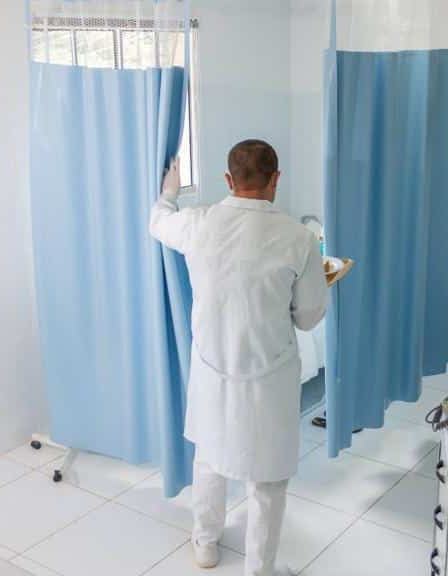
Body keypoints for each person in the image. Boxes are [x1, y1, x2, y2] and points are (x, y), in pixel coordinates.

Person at [149, 139, 329, 576]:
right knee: (267, 480)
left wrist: (169, 192)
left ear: (228, 179)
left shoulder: (200, 223)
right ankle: (258, 569)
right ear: (276, 179)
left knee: (209, 458)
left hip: (213, 368)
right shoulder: (299, 239)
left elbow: (159, 223)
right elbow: (308, 317)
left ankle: (205, 544)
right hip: (269, 374)